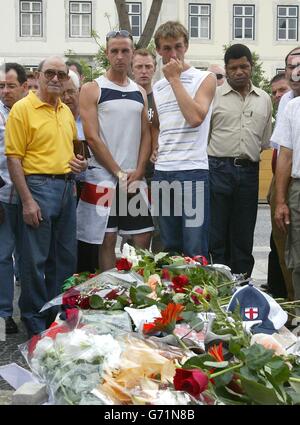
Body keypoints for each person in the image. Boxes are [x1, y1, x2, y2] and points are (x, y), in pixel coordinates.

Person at [5, 56, 87, 337]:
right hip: (36, 188)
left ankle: (57, 319)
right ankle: (35, 324)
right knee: (34, 262)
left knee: (64, 260)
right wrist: (27, 201)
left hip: (66, 188)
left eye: (60, 74)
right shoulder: (22, 109)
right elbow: (14, 159)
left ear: (66, 79)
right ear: (37, 76)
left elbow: (73, 153)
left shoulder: (65, 111)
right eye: (49, 73)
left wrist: (80, 165)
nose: (55, 78)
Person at [77, 30, 153, 271]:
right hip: (103, 178)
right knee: (107, 239)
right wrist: (118, 172)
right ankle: (110, 295)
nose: (120, 56)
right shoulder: (92, 88)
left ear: (132, 53)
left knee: (142, 237)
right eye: (115, 51)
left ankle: (137, 292)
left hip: (133, 177)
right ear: (107, 53)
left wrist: (139, 170)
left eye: (125, 51)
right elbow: (92, 136)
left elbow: (146, 133)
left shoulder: (139, 92)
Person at [151, 21, 216, 258]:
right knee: (169, 247)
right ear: (158, 50)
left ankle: (198, 294)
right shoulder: (157, 87)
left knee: (195, 247)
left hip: (192, 171)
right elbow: (158, 124)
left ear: (186, 46)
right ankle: (173, 295)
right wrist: (154, 146)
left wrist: (175, 80)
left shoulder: (204, 78)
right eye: (167, 48)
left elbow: (195, 117)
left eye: (178, 46)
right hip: (163, 170)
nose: (173, 54)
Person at [208, 44, 272, 277]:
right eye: (233, 67)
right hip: (217, 169)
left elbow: (265, 139)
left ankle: (242, 287)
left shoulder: (264, 99)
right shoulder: (213, 96)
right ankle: (218, 288)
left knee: (243, 234)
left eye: (243, 66)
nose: (239, 72)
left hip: (249, 172)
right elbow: (205, 135)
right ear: (226, 69)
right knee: (217, 235)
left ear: (251, 67)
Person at [61, 69, 99, 273]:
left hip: (92, 185)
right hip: (66, 186)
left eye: (71, 92)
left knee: (91, 242)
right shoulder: (56, 118)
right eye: (62, 93)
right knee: (67, 242)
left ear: (80, 90)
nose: (66, 97)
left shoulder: (91, 117)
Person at [0, 63, 28, 334]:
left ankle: (32, 312)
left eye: (10, 85)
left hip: (31, 195)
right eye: (1, 86)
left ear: (23, 86)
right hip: (4, 197)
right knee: (2, 257)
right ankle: (4, 314)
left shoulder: (29, 111)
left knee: (29, 256)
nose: (6, 91)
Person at [131, 48, 163, 253]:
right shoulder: (126, 96)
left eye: (148, 66)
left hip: (160, 174)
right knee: (134, 233)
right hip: (134, 173)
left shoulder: (162, 95)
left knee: (161, 232)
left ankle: (158, 280)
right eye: (139, 67)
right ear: (132, 69)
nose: (144, 71)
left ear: (155, 68)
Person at [267, 73, 291, 298]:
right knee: (278, 245)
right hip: (277, 182)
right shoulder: (286, 111)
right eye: (274, 92)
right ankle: (281, 294)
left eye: (281, 90)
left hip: (292, 183)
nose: (277, 96)